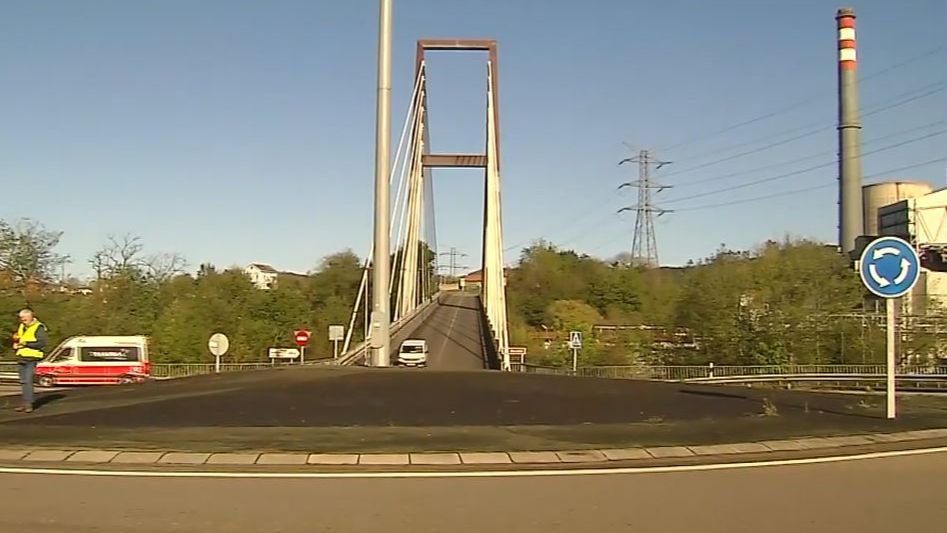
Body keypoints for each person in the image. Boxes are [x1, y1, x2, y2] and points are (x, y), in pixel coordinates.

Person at [12, 308, 47, 412]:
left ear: (30, 317)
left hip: (32, 357)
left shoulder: (39, 327)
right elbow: (20, 339)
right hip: (21, 356)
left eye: (24, 318)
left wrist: (26, 344)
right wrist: (16, 345)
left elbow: (41, 343)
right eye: (21, 318)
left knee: (28, 381)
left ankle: (29, 404)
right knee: (23, 381)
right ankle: (25, 402)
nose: (23, 320)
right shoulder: (21, 326)